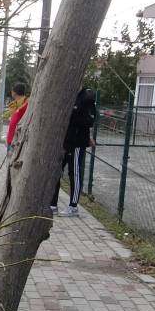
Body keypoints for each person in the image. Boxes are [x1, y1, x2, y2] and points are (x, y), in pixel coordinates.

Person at [52, 88, 97, 216]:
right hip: (65, 142)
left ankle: (73, 206)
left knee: (75, 173)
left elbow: (90, 121)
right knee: (56, 171)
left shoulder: (86, 99)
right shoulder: (68, 96)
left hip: (77, 144)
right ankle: (53, 204)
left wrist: (73, 114)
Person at [6, 83, 28, 150]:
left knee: (11, 157)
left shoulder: (25, 104)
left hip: (16, 138)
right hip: (12, 137)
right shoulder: (16, 103)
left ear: (14, 92)